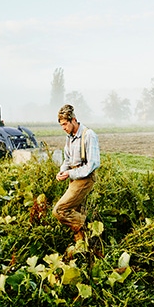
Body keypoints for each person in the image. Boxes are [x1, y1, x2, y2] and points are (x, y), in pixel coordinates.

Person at [52, 104, 100, 242]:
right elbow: (67, 159)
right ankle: (84, 246)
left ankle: (91, 227)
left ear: (74, 120)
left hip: (85, 178)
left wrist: (70, 174)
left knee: (60, 211)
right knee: (75, 212)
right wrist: (62, 171)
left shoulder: (88, 135)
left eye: (65, 124)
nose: (64, 128)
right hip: (73, 177)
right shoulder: (69, 137)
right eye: (61, 125)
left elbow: (93, 164)